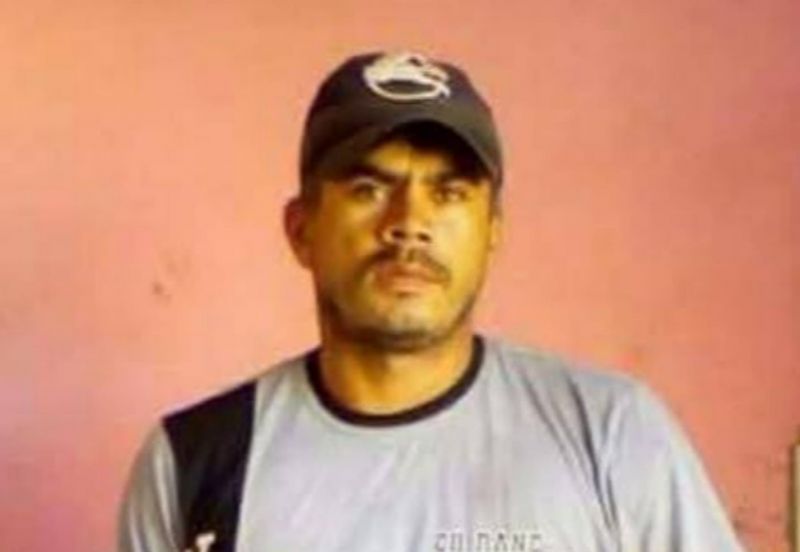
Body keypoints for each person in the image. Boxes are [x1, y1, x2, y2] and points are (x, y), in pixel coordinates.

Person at [118, 51, 744, 552]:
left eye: (448, 193)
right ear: (302, 229)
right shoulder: (193, 461)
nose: (409, 223)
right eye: (369, 188)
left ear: (492, 231)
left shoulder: (612, 434)